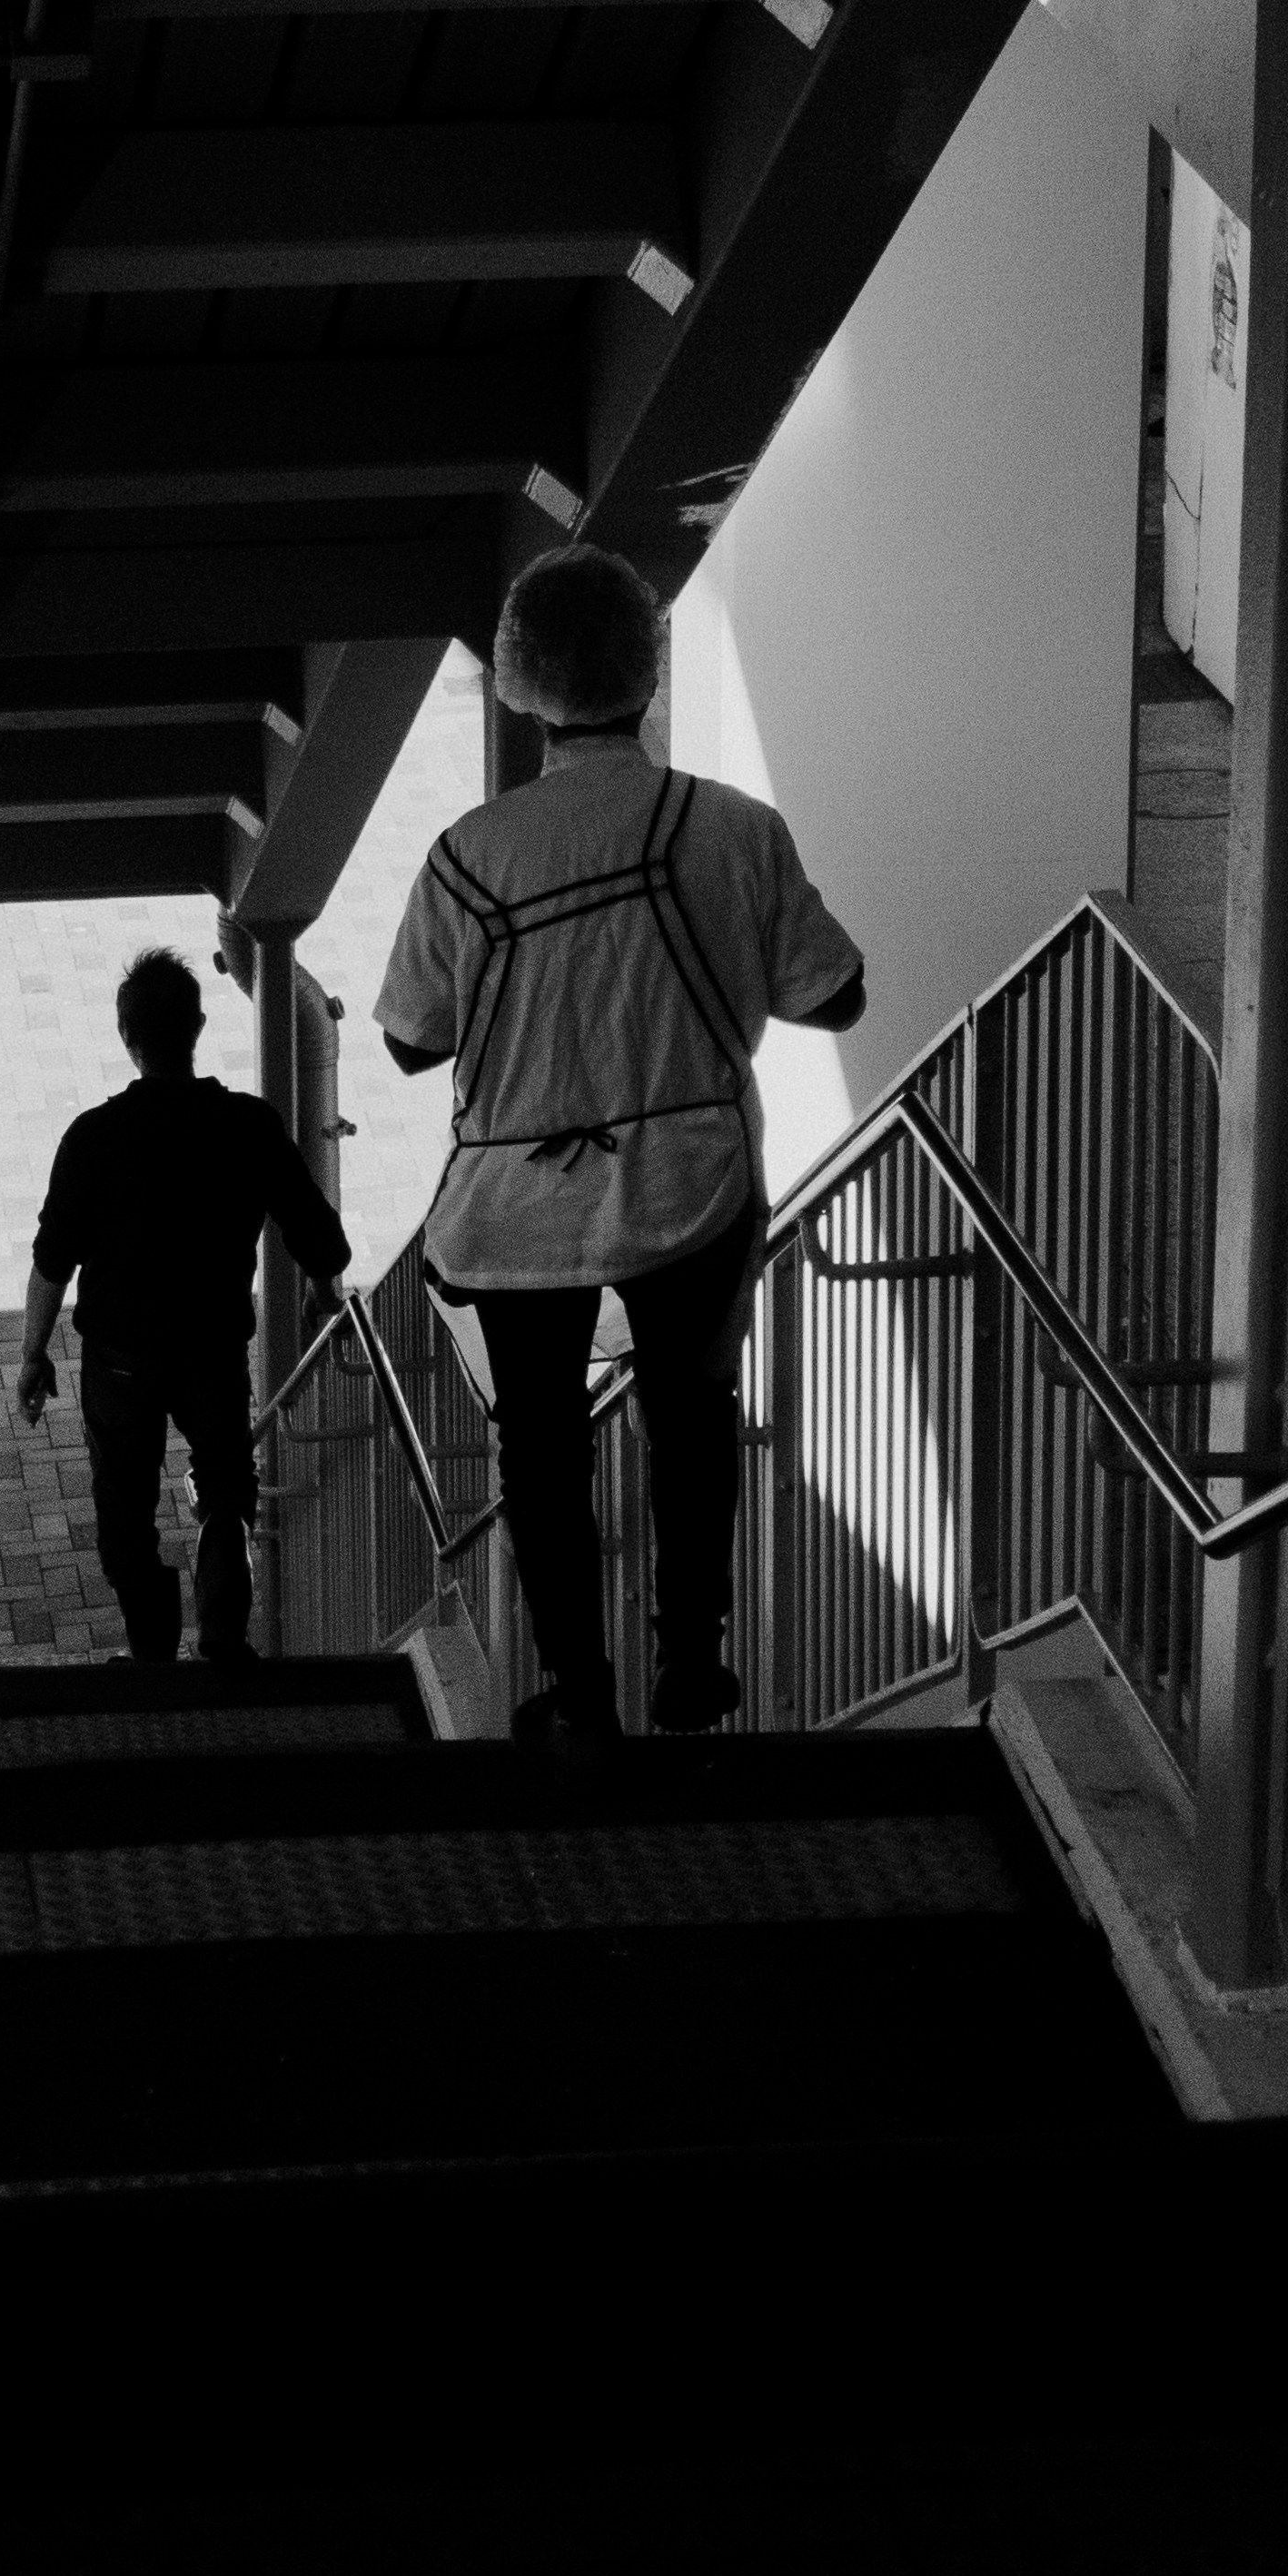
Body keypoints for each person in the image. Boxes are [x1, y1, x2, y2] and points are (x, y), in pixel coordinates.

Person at [376, 548, 866, 1745]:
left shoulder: (469, 855)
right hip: (695, 1178)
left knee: (538, 1443)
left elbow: (407, 1039)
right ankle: (691, 1670)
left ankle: (581, 1694)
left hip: (520, 1200)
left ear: (521, 685)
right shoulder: (735, 829)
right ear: (650, 670)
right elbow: (835, 996)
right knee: (693, 1416)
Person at [15, 949, 352, 1668]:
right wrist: (324, 1293)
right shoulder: (248, 1125)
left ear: (125, 1034)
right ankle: (224, 1643)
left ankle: (152, 1657)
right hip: (212, 1349)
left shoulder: (93, 1138)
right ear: (198, 1026)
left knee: (126, 1516)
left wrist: (31, 1354)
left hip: (119, 1363)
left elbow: (52, 1262)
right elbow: (317, 1233)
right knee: (227, 1492)